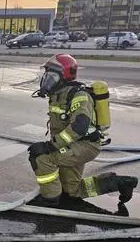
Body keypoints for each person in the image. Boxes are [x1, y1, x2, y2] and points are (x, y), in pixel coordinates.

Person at [28, 53, 138, 207]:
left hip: (84, 145)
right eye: (46, 75)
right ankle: (119, 183)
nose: (46, 79)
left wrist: (50, 146)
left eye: (51, 75)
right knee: (72, 190)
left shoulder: (79, 95)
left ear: (64, 76)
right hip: (73, 144)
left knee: (41, 157)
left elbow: (79, 126)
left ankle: (50, 198)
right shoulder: (59, 94)